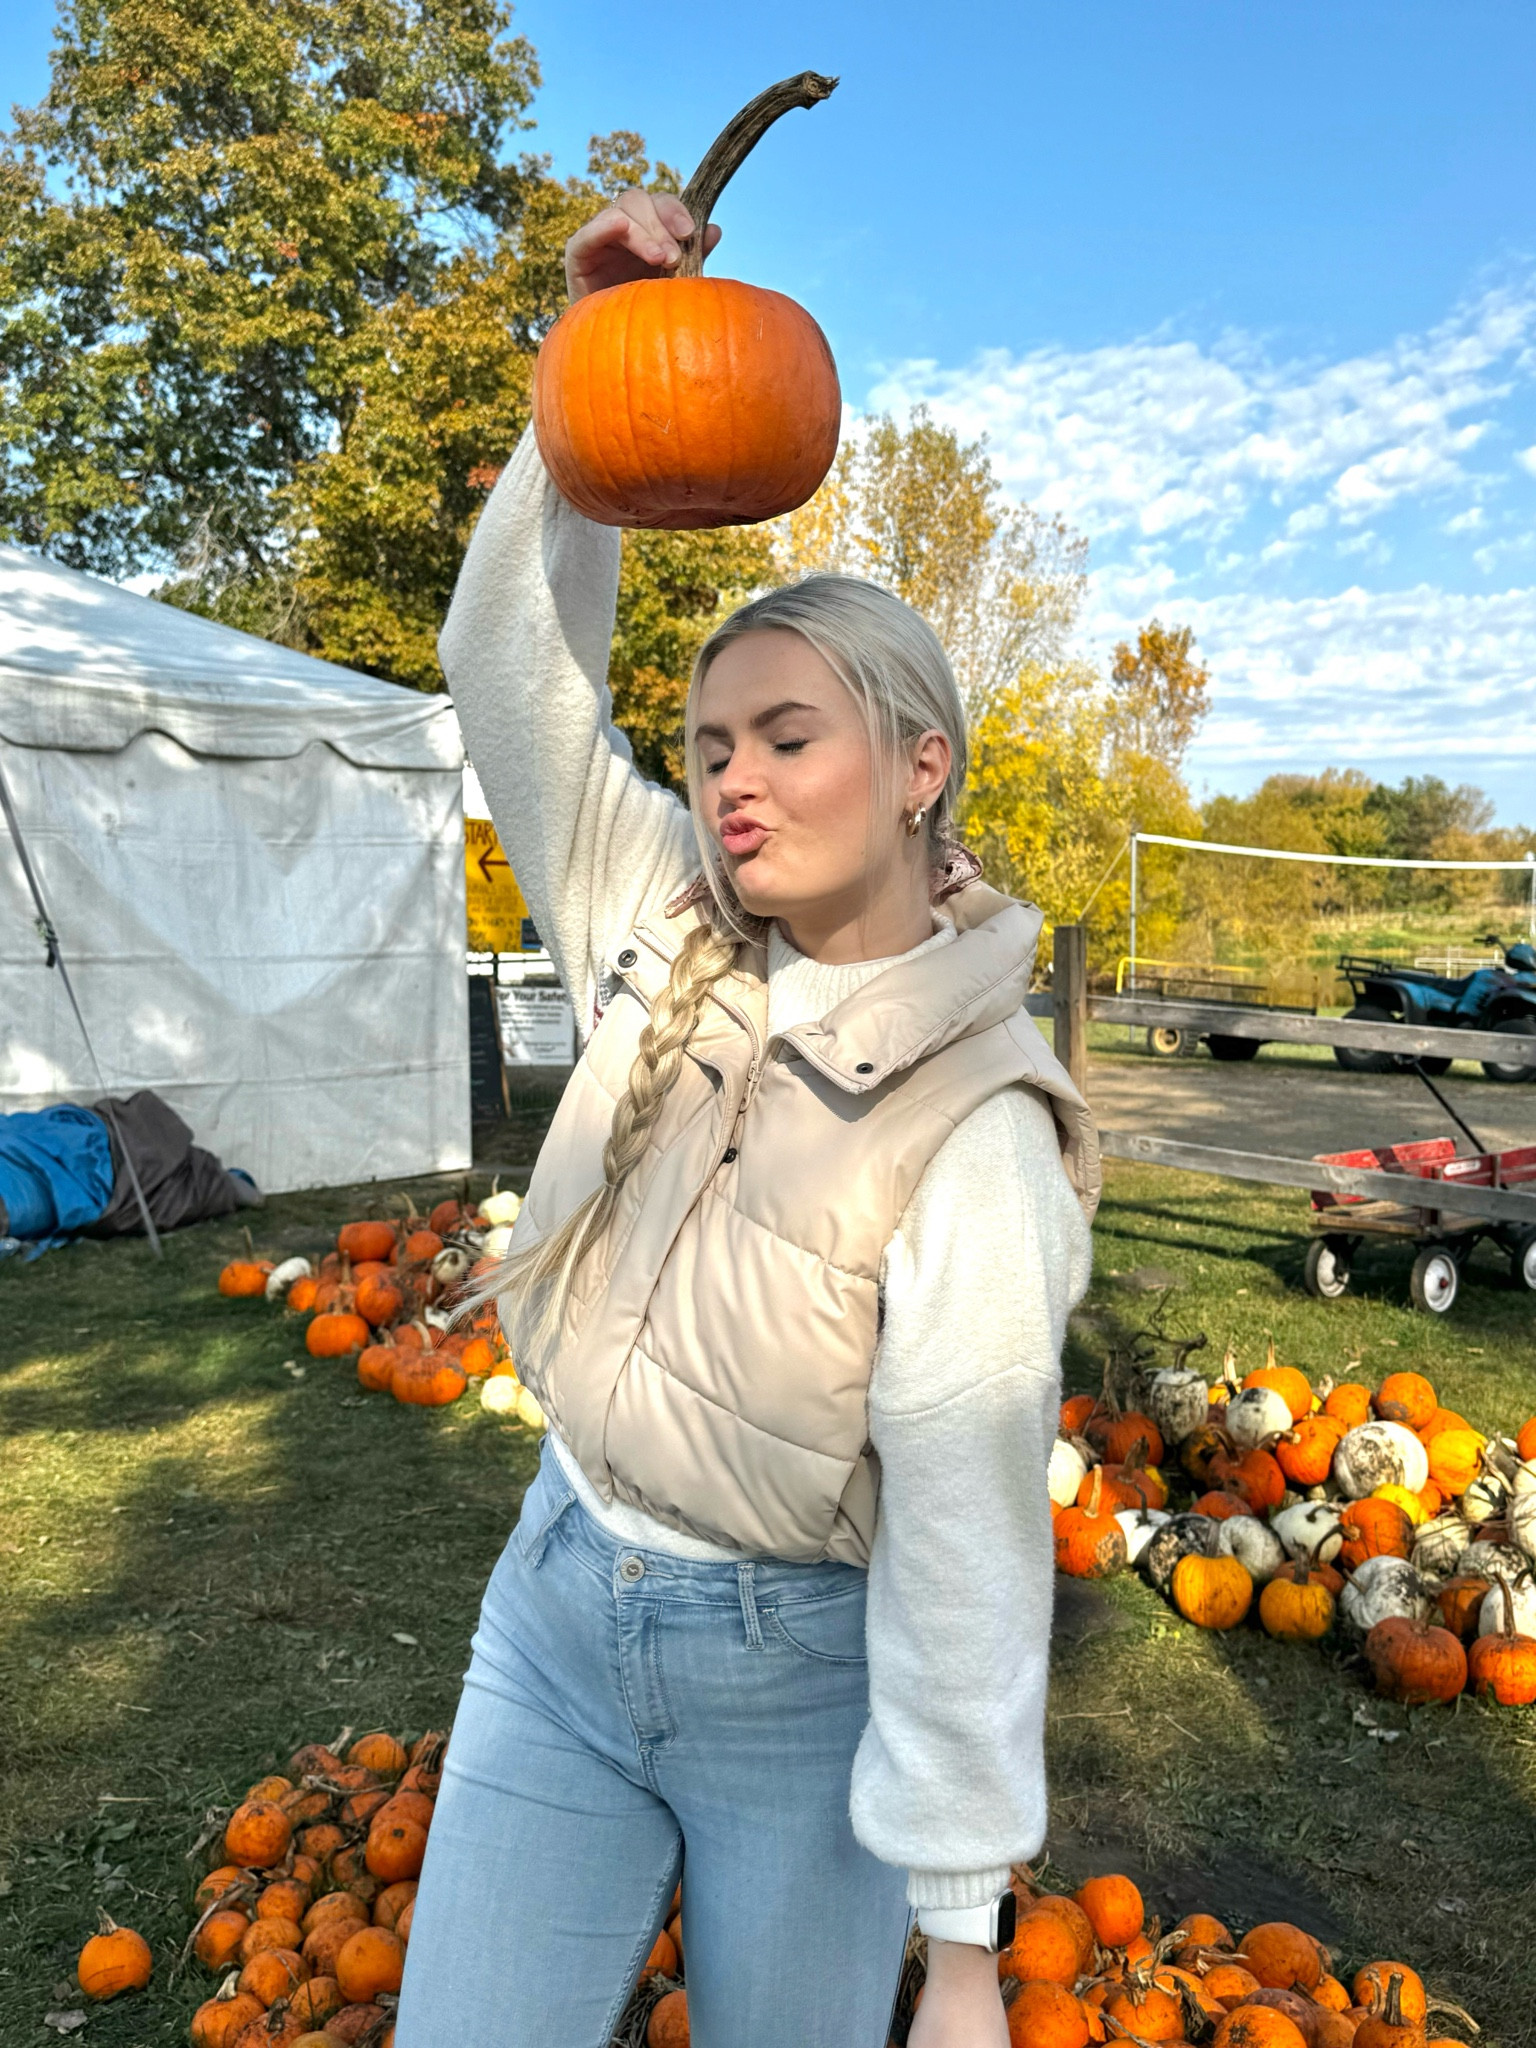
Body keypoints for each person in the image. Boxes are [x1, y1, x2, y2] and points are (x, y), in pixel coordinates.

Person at [395, 189, 1099, 2048]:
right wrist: (581, 372)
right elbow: (505, 673)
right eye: (710, 747)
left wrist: (961, 1950)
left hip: (799, 1688)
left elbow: (963, 1532)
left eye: (789, 737)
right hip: (551, 1604)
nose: (733, 784)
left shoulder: (981, 1130)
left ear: (919, 763)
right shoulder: (652, 923)